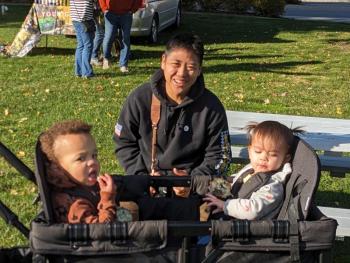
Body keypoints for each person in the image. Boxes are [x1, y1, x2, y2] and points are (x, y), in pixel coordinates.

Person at [113, 33, 232, 198]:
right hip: (147, 185)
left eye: (191, 67)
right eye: (175, 64)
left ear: (199, 70)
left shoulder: (211, 107)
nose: (182, 73)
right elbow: (124, 142)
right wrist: (141, 178)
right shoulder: (140, 98)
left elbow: (221, 155)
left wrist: (192, 181)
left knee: (226, 195)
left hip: (194, 190)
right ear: (163, 61)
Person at [40, 120, 137, 223]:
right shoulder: (74, 206)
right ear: (58, 167)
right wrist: (107, 199)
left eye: (94, 155)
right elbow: (101, 232)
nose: (92, 162)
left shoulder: (80, 183)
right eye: (80, 158)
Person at [203, 121, 301, 220]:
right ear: (249, 151)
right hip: (227, 217)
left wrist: (225, 205)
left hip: (245, 230)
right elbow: (236, 182)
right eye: (258, 151)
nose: (263, 158)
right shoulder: (252, 169)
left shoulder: (272, 186)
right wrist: (213, 189)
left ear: (285, 159)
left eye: (273, 154)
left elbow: (253, 210)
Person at [98, 0, 144, 73]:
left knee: (125, 39)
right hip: (110, 13)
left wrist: (132, 10)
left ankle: (123, 65)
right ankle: (106, 58)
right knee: (108, 38)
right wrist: (104, 8)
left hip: (126, 14)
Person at [70, 0, 95, 78]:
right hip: (85, 21)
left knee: (81, 45)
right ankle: (87, 73)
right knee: (88, 45)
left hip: (75, 19)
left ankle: (79, 71)